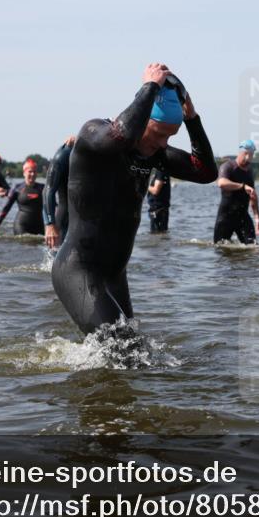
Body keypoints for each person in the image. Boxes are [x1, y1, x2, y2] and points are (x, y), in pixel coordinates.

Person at [51, 63, 217, 334]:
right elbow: (122, 134)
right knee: (125, 353)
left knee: (129, 359)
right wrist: (150, 86)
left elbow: (206, 171)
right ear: (143, 121)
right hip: (79, 270)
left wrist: (191, 117)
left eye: (170, 136)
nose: (164, 143)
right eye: (159, 134)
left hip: (115, 277)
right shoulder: (94, 135)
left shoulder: (154, 153)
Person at [213, 139, 259, 244]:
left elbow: (253, 195)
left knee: (253, 248)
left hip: (243, 216)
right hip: (226, 216)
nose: (248, 158)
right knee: (220, 248)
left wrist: (257, 218)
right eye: (246, 154)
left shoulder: (250, 172)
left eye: (251, 155)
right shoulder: (228, 167)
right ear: (241, 152)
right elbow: (221, 183)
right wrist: (242, 186)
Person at [0, 159, 45, 236]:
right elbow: (6, 208)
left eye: (34, 171)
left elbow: (53, 207)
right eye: (30, 171)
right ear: (24, 173)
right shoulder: (17, 188)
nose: (32, 174)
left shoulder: (43, 188)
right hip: (21, 226)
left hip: (39, 226)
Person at [43, 136, 75, 249]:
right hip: (64, 219)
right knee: (56, 260)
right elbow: (48, 192)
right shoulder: (64, 154)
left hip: (86, 222)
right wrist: (50, 224)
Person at [146, 168, 171, 233]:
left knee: (156, 234)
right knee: (160, 234)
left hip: (158, 209)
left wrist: (144, 185)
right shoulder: (159, 171)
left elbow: (155, 190)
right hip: (157, 208)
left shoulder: (161, 171)